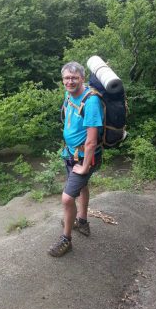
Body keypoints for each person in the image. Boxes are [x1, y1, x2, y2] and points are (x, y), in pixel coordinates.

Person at [48, 61, 104, 257]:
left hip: (83, 157)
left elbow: (91, 140)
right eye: (66, 78)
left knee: (67, 198)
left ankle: (66, 240)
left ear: (82, 78)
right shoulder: (69, 94)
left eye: (74, 78)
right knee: (83, 188)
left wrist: (85, 166)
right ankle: (82, 221)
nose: (69, 82)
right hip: (71, 154)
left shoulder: (91, 102)